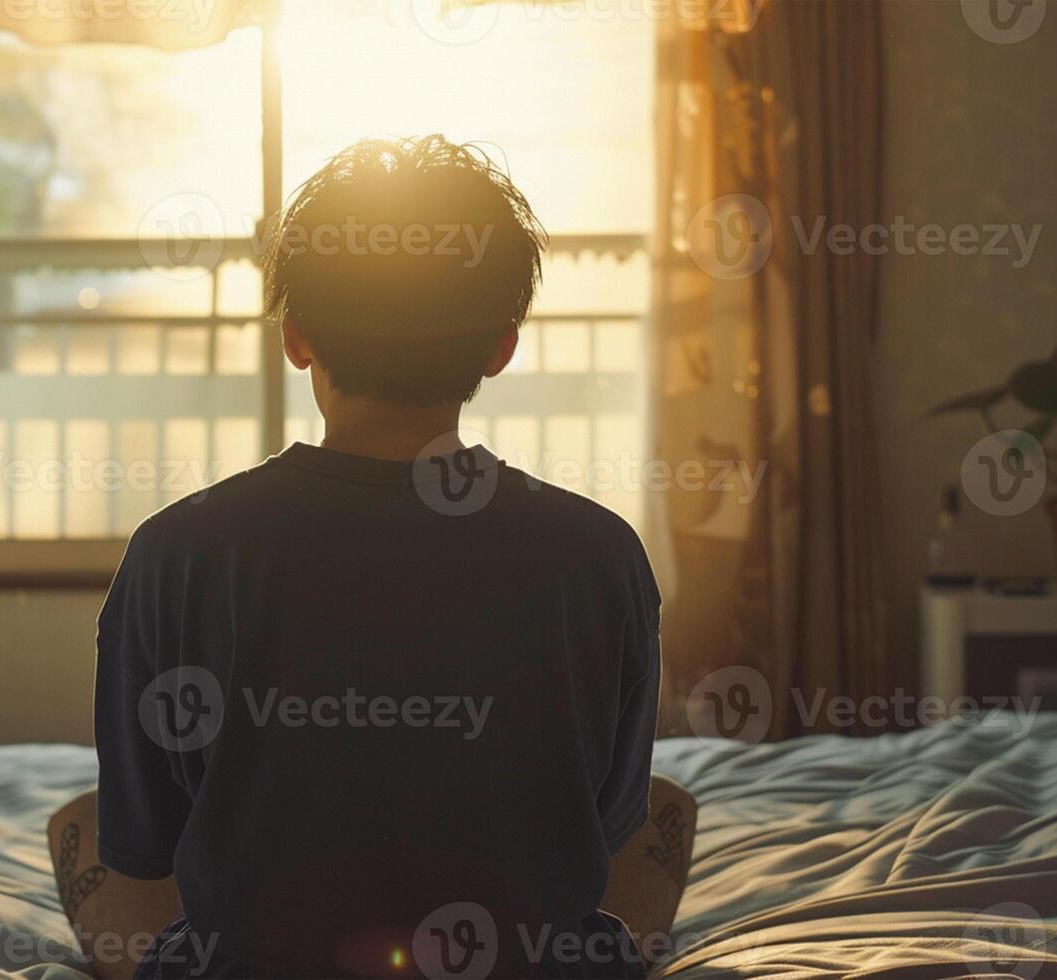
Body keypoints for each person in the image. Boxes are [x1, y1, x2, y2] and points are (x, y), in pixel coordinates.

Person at [50, 135, 694, 979]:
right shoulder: (598, 552)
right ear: (501, 347)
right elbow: (609, 822)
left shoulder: (178, 549)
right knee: (666, 809)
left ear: (296, 336)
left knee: (80, 822)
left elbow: (142, 848)